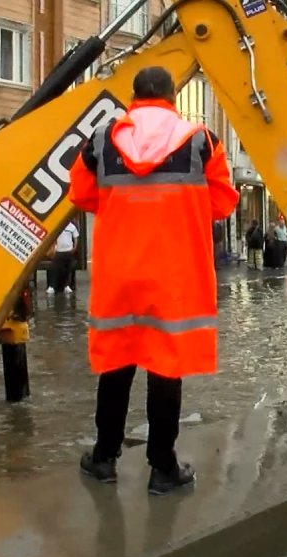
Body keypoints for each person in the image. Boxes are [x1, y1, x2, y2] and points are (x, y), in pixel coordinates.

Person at [68, 66, 239, 495]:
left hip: (119, 273)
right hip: (174, 276)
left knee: (116, 366)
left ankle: (104, 458)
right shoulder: (201, 140)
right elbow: (222, 203)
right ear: (171, 95)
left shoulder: (103, 140)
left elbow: (82, 195)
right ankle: (163, 468)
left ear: (134, 96)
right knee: (166, 371)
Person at [46, 219, 79, 295]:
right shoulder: (57, 225)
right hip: (58, 251)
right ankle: (52, 286)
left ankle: (66, 286)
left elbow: (76, 237)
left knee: (68, 269)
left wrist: (75, 247)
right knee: (55, 269)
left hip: (68, 251)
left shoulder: (72, 227)